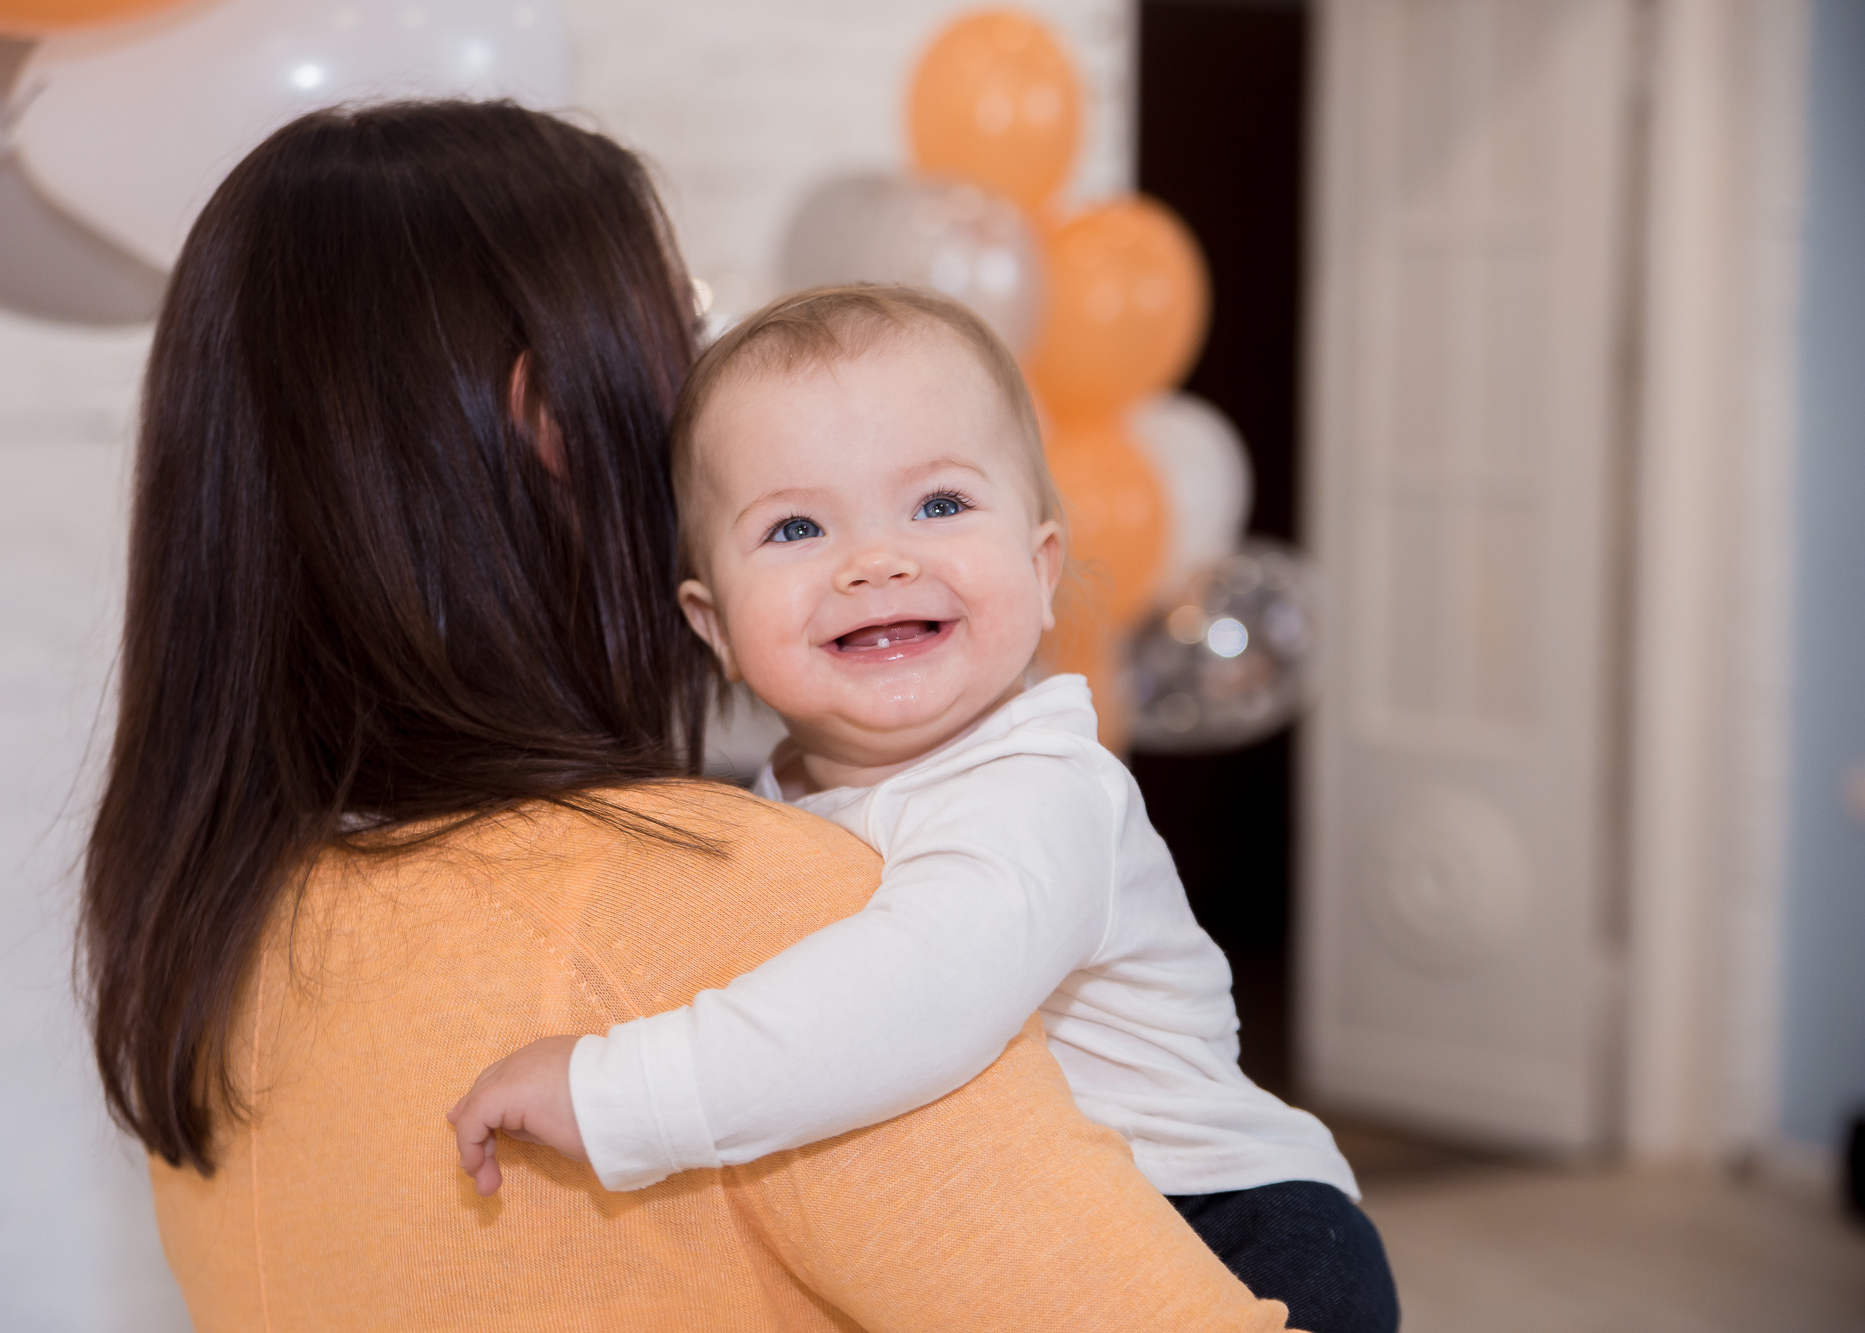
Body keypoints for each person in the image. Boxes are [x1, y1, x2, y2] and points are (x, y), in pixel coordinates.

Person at [79, 101, 1297, 1332]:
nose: (874, 560)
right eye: (685, 345)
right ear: (548, 420)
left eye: (937, 504)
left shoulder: (209, 939)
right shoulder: (743, 917)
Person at [449, 286, 1400, 1333]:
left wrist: (621, 1095)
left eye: (939, 506)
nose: (876, 559)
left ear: (1042, 574)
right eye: (796, 526)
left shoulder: (1038, 791)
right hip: (1001, 1230)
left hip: (1227, 1228)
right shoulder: (770, 809)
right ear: (713, 626)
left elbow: (905, 1000)